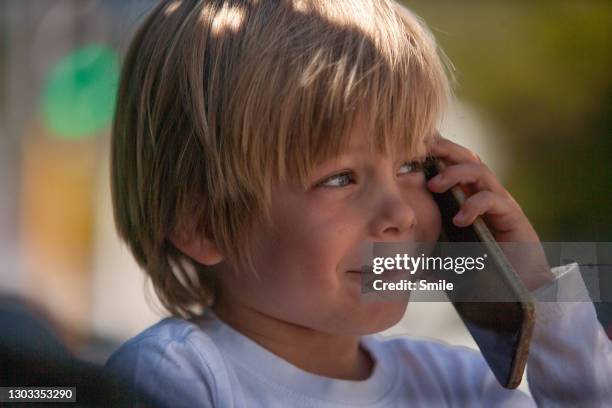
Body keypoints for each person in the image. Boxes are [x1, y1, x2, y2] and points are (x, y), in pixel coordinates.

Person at [105, 0, 612, 406]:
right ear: (204, 224)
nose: (400, 214)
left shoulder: (459, 385)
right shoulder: (177, 376)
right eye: (341, 177)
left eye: (412, 166)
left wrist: (536, 291)